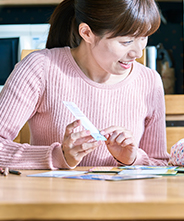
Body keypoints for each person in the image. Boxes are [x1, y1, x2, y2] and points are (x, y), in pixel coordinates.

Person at [0, 0, 169, 169]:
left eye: (143, 37)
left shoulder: (149, 81)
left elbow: (159, 164)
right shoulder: (41, 68)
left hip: (123, 195)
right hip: (52, 194)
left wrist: (132, 158)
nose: (138, 52)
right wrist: (58, 157)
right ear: (87, 33)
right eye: (126, 42)